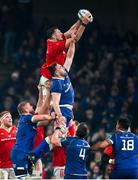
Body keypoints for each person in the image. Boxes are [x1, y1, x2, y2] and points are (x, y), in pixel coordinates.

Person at [40, 12, 92, 113]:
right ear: (54, 35)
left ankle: (59, 119)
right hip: (49, 79)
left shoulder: (56, 40)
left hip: (56, 75)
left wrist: (80, 20)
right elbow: (74, 38)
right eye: (59, 32)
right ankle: (40, 124)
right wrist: (84, 24)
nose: (61, 33)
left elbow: (71, 31)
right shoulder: (54, 46)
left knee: (52, 107)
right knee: (46, 109)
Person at [11, 101, 55, 179]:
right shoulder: (26, 118)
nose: (31, 106)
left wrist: (52, 118)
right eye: (29, 105)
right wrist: (53, 116)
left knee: (49, 139)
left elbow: (44, 122)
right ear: (25, 109)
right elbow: (44, 117)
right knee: (22, 178)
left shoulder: (26, 121)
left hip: (26, 153)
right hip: (20, 153)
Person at [48, 36, 76, 128]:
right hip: (62, 111)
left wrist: (72, 42)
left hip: (67, 110)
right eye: (59, 67)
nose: (62, 67)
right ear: (56, 72)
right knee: (59, 137)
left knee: (66, 137)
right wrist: (60, 116)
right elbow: (55, 103)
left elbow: (70, 57)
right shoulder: (56, 84)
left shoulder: (63, 73)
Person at [0, 111, 16, 179]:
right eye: (7, 117)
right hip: (1, 167)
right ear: (1, 120)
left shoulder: (16, 130)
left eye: (11, 117)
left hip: (15, 166)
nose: (10, 119)